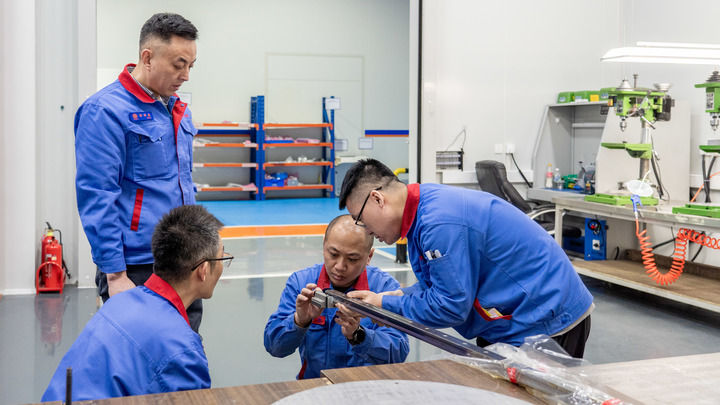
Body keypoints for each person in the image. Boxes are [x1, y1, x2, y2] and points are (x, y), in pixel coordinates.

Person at [339, 159, 594, 358]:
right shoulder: (420, 213)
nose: (366, 230)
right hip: (512, 316)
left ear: (378, 198)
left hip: (548, 315)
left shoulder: (438, 223)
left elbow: (450, 306)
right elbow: (439, 284)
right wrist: (396, 296)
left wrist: (387, 304)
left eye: (361, 219)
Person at [74, 13, 203, 331]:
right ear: (147, 57)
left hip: (184, 258)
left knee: (186, 347)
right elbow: (97, 196)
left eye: (191, 66)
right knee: (140, 352)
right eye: (179, 64)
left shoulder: (177, 110)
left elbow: (183, 184)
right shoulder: (105, 111)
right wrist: (115, 274)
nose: (186, 75)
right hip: (138, 266)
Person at [42, 205, 230, 402]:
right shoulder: (183, 352)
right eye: (222, 257)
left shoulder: (120, 303)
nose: (223, 265)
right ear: (203, 270)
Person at [264, 215, 409, 379]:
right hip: (317, 386)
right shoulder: (301, 283)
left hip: (366, 388)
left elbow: (399, 353)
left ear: (369, 256)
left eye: (352, 259)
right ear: (323, 246)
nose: (340, 267)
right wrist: (299, 320)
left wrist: (358, 335)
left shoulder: (384, 289)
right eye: (333, 254)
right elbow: (274, 347)